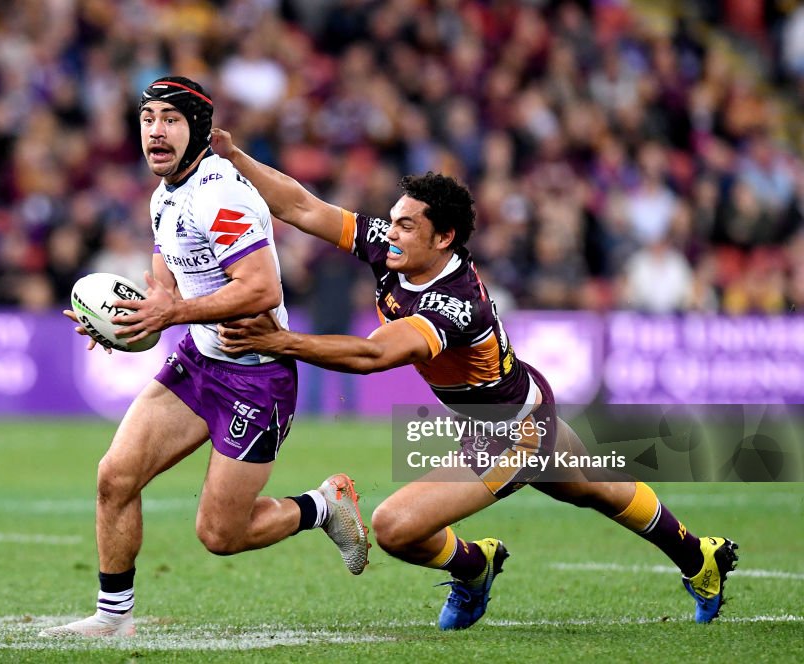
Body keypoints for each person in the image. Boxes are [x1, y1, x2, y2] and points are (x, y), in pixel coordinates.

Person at [210, 128, 738, 628]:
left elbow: (371, 357)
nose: (389, 233)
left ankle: (471, 567)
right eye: (392, 221)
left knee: (394, 527)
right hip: (518, 400)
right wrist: (236, 159)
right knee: (594, 489)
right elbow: (302, 206)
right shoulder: (397, 248)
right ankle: (700, 555)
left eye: (406, 225)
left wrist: (282, 343)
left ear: (444, 238)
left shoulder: (455, 303)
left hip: (512, 429)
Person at [42, 77, 369, 639]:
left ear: (197, 130)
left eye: (170, 119)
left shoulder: (219, 193)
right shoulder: (164, 194)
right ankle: (113, 616)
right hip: (200, 362)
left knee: (221, 534)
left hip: (256, 379)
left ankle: (323, 505)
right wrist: (128, 321)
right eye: (147, 120)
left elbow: (262, 288)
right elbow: (167, 265)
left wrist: (169, 315)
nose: (155, 132)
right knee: (115, 477)